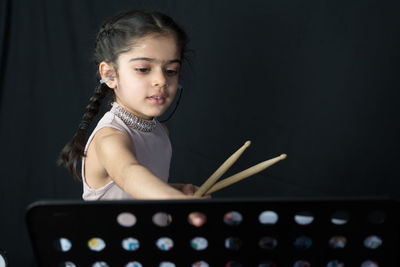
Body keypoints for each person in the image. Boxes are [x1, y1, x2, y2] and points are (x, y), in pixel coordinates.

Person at [58, 10, 207, 200]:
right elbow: (129, 175)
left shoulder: (161, 131)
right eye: (143, 69)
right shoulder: (110, 137)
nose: (161, 80)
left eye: (171, 71)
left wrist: (177, 190)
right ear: (110, 74)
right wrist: (176, 200)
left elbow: (135, 194)